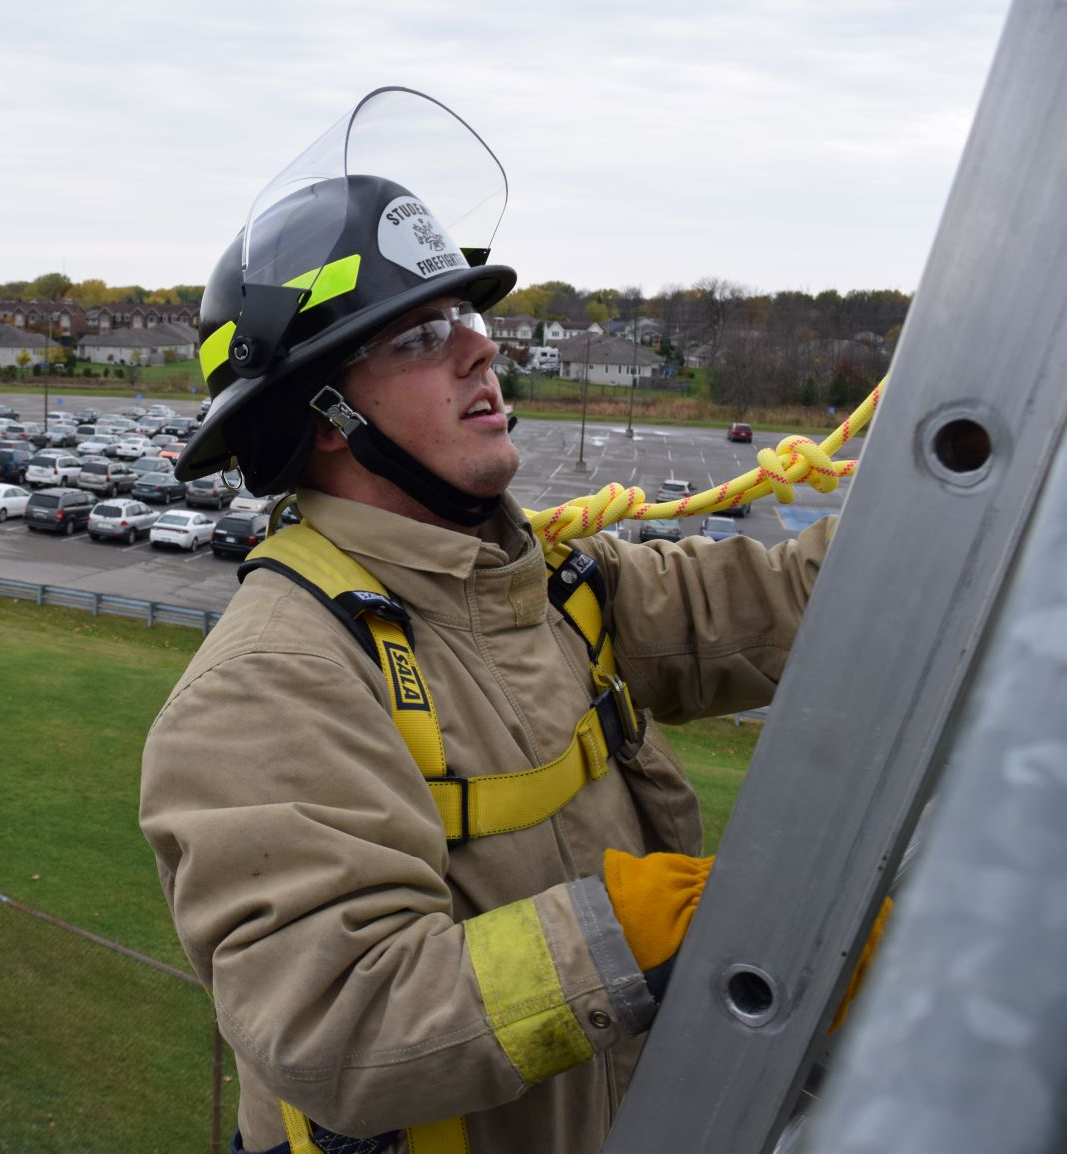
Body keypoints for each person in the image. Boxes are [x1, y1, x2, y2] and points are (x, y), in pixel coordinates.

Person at [139, 90, 835, 1154]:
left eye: (469, 318)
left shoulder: (547, 587)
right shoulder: (268, 683)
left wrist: (972, 496)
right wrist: (654, 930)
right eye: (421, 336)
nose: (479, 351)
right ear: (320, 417)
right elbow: (343, 1021)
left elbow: (782, 602)